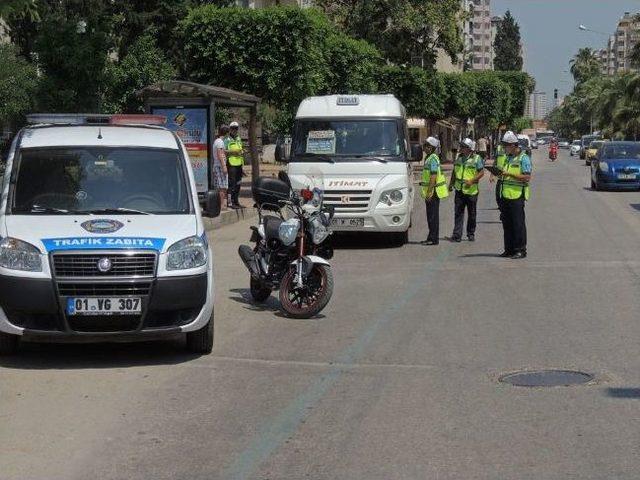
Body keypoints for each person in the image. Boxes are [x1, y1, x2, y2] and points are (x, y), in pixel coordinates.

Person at [499, 131, 532, 259]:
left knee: (518, 224)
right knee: (507, 224)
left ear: (513, 145)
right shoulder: (508, 158)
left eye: (505, 145)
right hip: (505, 195)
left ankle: (520, 250)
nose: (504, 148)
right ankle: (509, 249)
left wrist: (509, 174)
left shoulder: (524, 158)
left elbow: (527, 177)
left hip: (517, 196)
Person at [448, 138, 484, 242]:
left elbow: (481, 173)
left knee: (472, 214)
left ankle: (470, 233)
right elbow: (455, 172)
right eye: (461, 146)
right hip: (459, 190)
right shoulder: (459, 158)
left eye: (463, 147)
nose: (461, 148)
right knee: (458, 213)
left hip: (471, 191)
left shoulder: (477, 158)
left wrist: (472, 181)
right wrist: (451, 184)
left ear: (469, 148)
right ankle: (457, 235)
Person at [420, 137, 449, 245]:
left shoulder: (432, 158)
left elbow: (433, 176)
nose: (424, 148)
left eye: (426, 146)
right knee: (430, 216)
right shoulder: (429, 157)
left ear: (431, 147)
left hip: (434, 191)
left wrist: (429, 191)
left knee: (433, 216)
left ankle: (433, 239)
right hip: (432, 190)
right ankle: (431, 237)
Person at [225, 121, 244, 209]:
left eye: (236, 128)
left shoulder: (238, 138)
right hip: (231, 163)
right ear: (230, 129)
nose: (235, 130)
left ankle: (236, 201)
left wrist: (241, 151)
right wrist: (233, 152)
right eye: (233, 128)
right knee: (231, 184)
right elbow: (223, 151)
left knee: (238, 183)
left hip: (239, 163)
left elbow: (241, 149)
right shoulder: (227, 139)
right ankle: (230, 202)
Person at [213, 125, 229, 210]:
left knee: (219, 186)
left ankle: (220, 204)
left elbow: (222, 151)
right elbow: (220, 154)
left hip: (217, 166)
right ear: (226, 133)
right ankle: (221, 205)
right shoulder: (220, 142)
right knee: (222, 187)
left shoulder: (217, 141)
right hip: (219, 166)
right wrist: (224, 166)